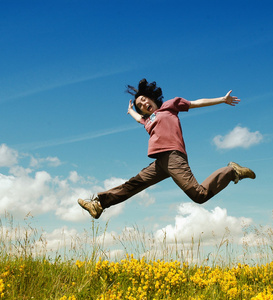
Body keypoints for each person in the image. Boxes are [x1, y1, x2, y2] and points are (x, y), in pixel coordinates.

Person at [78, 79, 255, 219]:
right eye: (140, 105)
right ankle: (99, 204)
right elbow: (138, 118)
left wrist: (222, 99)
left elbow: (195, 103)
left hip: (173, 157)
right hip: (160, 163)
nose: (143, 104)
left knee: (199, 195)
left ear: (151, 97)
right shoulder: (148, 121)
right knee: (132, 185)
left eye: (144, 100)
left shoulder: (169, 106)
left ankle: (231, 171)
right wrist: (131, 110)